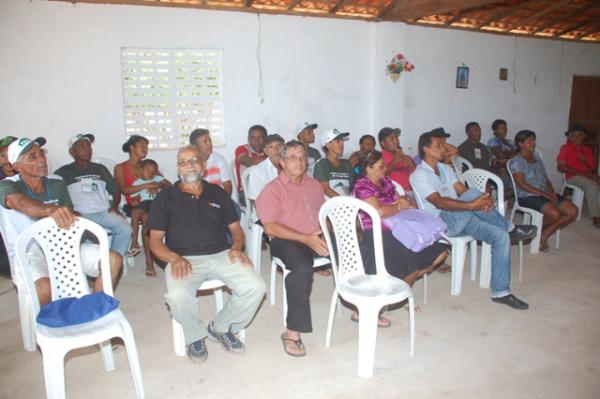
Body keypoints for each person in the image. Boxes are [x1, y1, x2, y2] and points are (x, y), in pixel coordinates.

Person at [148, 145, 265, 363]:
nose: (190, 164)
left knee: (256, 287)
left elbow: (236, 229)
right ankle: (195, 336)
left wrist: (237, 248)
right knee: (177, 296)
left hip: (222, 254)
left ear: (203, 165)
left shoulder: (217, 192)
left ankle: (220, 327)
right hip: (184, 259)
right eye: (183, 161)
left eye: (194, 159)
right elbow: (154, 241)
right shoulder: (165, 197)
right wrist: (174, 258)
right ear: (177, 168)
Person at [412, 132, 536, 310]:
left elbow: (462, 191)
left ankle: (501, 292)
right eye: (439, 145)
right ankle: (510, 227)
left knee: (500, 236)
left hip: (462, 216)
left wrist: (482, 202)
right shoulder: (419, 174)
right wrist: (474, 204)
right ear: (426, 149)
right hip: (441, 222)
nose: (443, 149)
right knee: (473, 194)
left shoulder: (446, 169)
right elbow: (439, 202)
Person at [0, 137, 122, 304]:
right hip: (30, 250)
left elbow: (69, 216)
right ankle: (50, 325)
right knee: (45, 289)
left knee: (113, 260)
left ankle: (93, 308)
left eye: (41, 153)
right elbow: (18, 202)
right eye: (32, 157)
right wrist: (50, 209)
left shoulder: (57, 183)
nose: (42, 159)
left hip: (61, 243)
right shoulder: (7, 186)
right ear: (16, 166)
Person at [353, 150, 449, 325]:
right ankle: (377, 305)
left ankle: (394, 296)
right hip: (377, 233)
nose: (385, 169)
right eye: (381, 166)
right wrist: (399, 206)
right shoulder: (362, 186)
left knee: (439, 252)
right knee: (411, 263)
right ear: (368, 168)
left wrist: (402, 203)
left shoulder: (387, 182)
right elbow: (379, 212)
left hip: (402, 229)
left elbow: (408, 204)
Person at [255, 140, 328, 357]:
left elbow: (323, 214)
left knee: (356, 249)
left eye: (303, 157)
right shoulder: (271, 190)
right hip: (285, 240)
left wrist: (332, 235)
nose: (300, 161)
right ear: (282, 162)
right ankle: (292, 332)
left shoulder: (314, 185)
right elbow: (270, 226)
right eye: (294, 157)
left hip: (314, 236)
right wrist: (305, 238)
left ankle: (361, 307)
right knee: (302, 269)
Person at [54, 133, 132, 262]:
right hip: (80, 214)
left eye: (89, 146)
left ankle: (111, 262)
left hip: (103, 211)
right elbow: (58, 197)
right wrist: (70, 212)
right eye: (82, 146)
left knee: (125, 229)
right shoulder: (63, 172)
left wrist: (114, 207)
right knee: (81, 237)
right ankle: (87, 265)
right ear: (72, 152)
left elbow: (115, 191)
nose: (87, 149)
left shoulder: (100, 169)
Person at [510, 130, 578, 251]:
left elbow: (546, 179)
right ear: (520, 144)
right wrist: (545, 194)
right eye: (529, 141)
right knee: (555, 214)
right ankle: (535, 234)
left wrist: (552, 192)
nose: (533, 144)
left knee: (572, 211)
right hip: (527, 195)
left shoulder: (537, 158)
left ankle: (542, 234)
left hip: (544, 192)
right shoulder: (517, 161)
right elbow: (522, 184)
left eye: (533, 141)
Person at [114, 135, 170, 276]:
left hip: (151, 204)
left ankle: (150, 259)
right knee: (145, 216)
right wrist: (147, 185)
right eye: (142, 146)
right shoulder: (121, 167)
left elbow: (166, 184)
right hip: (134, 204)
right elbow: (124, 189)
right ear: (132, 147)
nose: (145, 149)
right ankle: (150, 260)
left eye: (147, 146)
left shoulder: (149, 165)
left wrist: (158, 184)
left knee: (147, 217)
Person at [557, 125, 600, 227]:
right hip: (573, 177)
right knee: (592, 186)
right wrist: (585, 174)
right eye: (573, 135)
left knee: (594, 184)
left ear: (583, 136)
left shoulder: (587, 150)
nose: (576, 138)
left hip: (587, 175)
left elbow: (592, 167)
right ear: (569, 137)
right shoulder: (565, 148)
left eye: (579, 135)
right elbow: (561, 167)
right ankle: (596, 217)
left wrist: (584, 159)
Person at [189, 128, 232, 195]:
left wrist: (224, 202)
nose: (210, 143)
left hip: (218, 199)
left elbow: (227, 185)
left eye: (210, 140)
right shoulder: (190, 163)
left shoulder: (220, 160)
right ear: (196, 147)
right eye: (205, 141)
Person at [245, 134, 284, 204]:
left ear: (284, 148)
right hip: (267, 211)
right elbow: (257, 203)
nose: (276, 150)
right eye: (271, 147)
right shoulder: (257, 172)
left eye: (279, 146)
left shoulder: (291, 167)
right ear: (266, 151)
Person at [314, 129, 353, 197]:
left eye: (342, 140)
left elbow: (352, 187)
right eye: (338, 141)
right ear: (327, 145)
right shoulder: (321, 164)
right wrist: (344, 202)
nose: (342, 144)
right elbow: (325, 189)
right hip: (330, 205)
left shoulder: (346, 164)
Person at [235, 125, 267, 205]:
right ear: (248, 139)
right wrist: (273, 159)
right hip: (246, 193)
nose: (257, 141)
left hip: (267, 190)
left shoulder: (269, 150)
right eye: (253, 138)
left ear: (266, 139)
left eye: (260, 137)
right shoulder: (242, 149)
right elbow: (247, 161)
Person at [487, 119, 518, 199]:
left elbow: (519, 154)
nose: (504, 130)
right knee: (517, 186)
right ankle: (498, 203)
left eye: (505, 128)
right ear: (495, 130)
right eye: (501, 128)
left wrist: (505, 159)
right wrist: (512, 153)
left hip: (512, 168)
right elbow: (500, 155)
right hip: (499, 170)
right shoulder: (492, 141)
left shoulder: (510, 142)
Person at [378, 127, 415, 193]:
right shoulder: (379, 157)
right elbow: (381, 178)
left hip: (413, 192)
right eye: (392, 138)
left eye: (396, 138)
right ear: (383, 143)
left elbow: (417, 175)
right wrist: (394, 161)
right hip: (394, 194)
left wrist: (411, 164)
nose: (396, 141)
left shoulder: (404, 156)